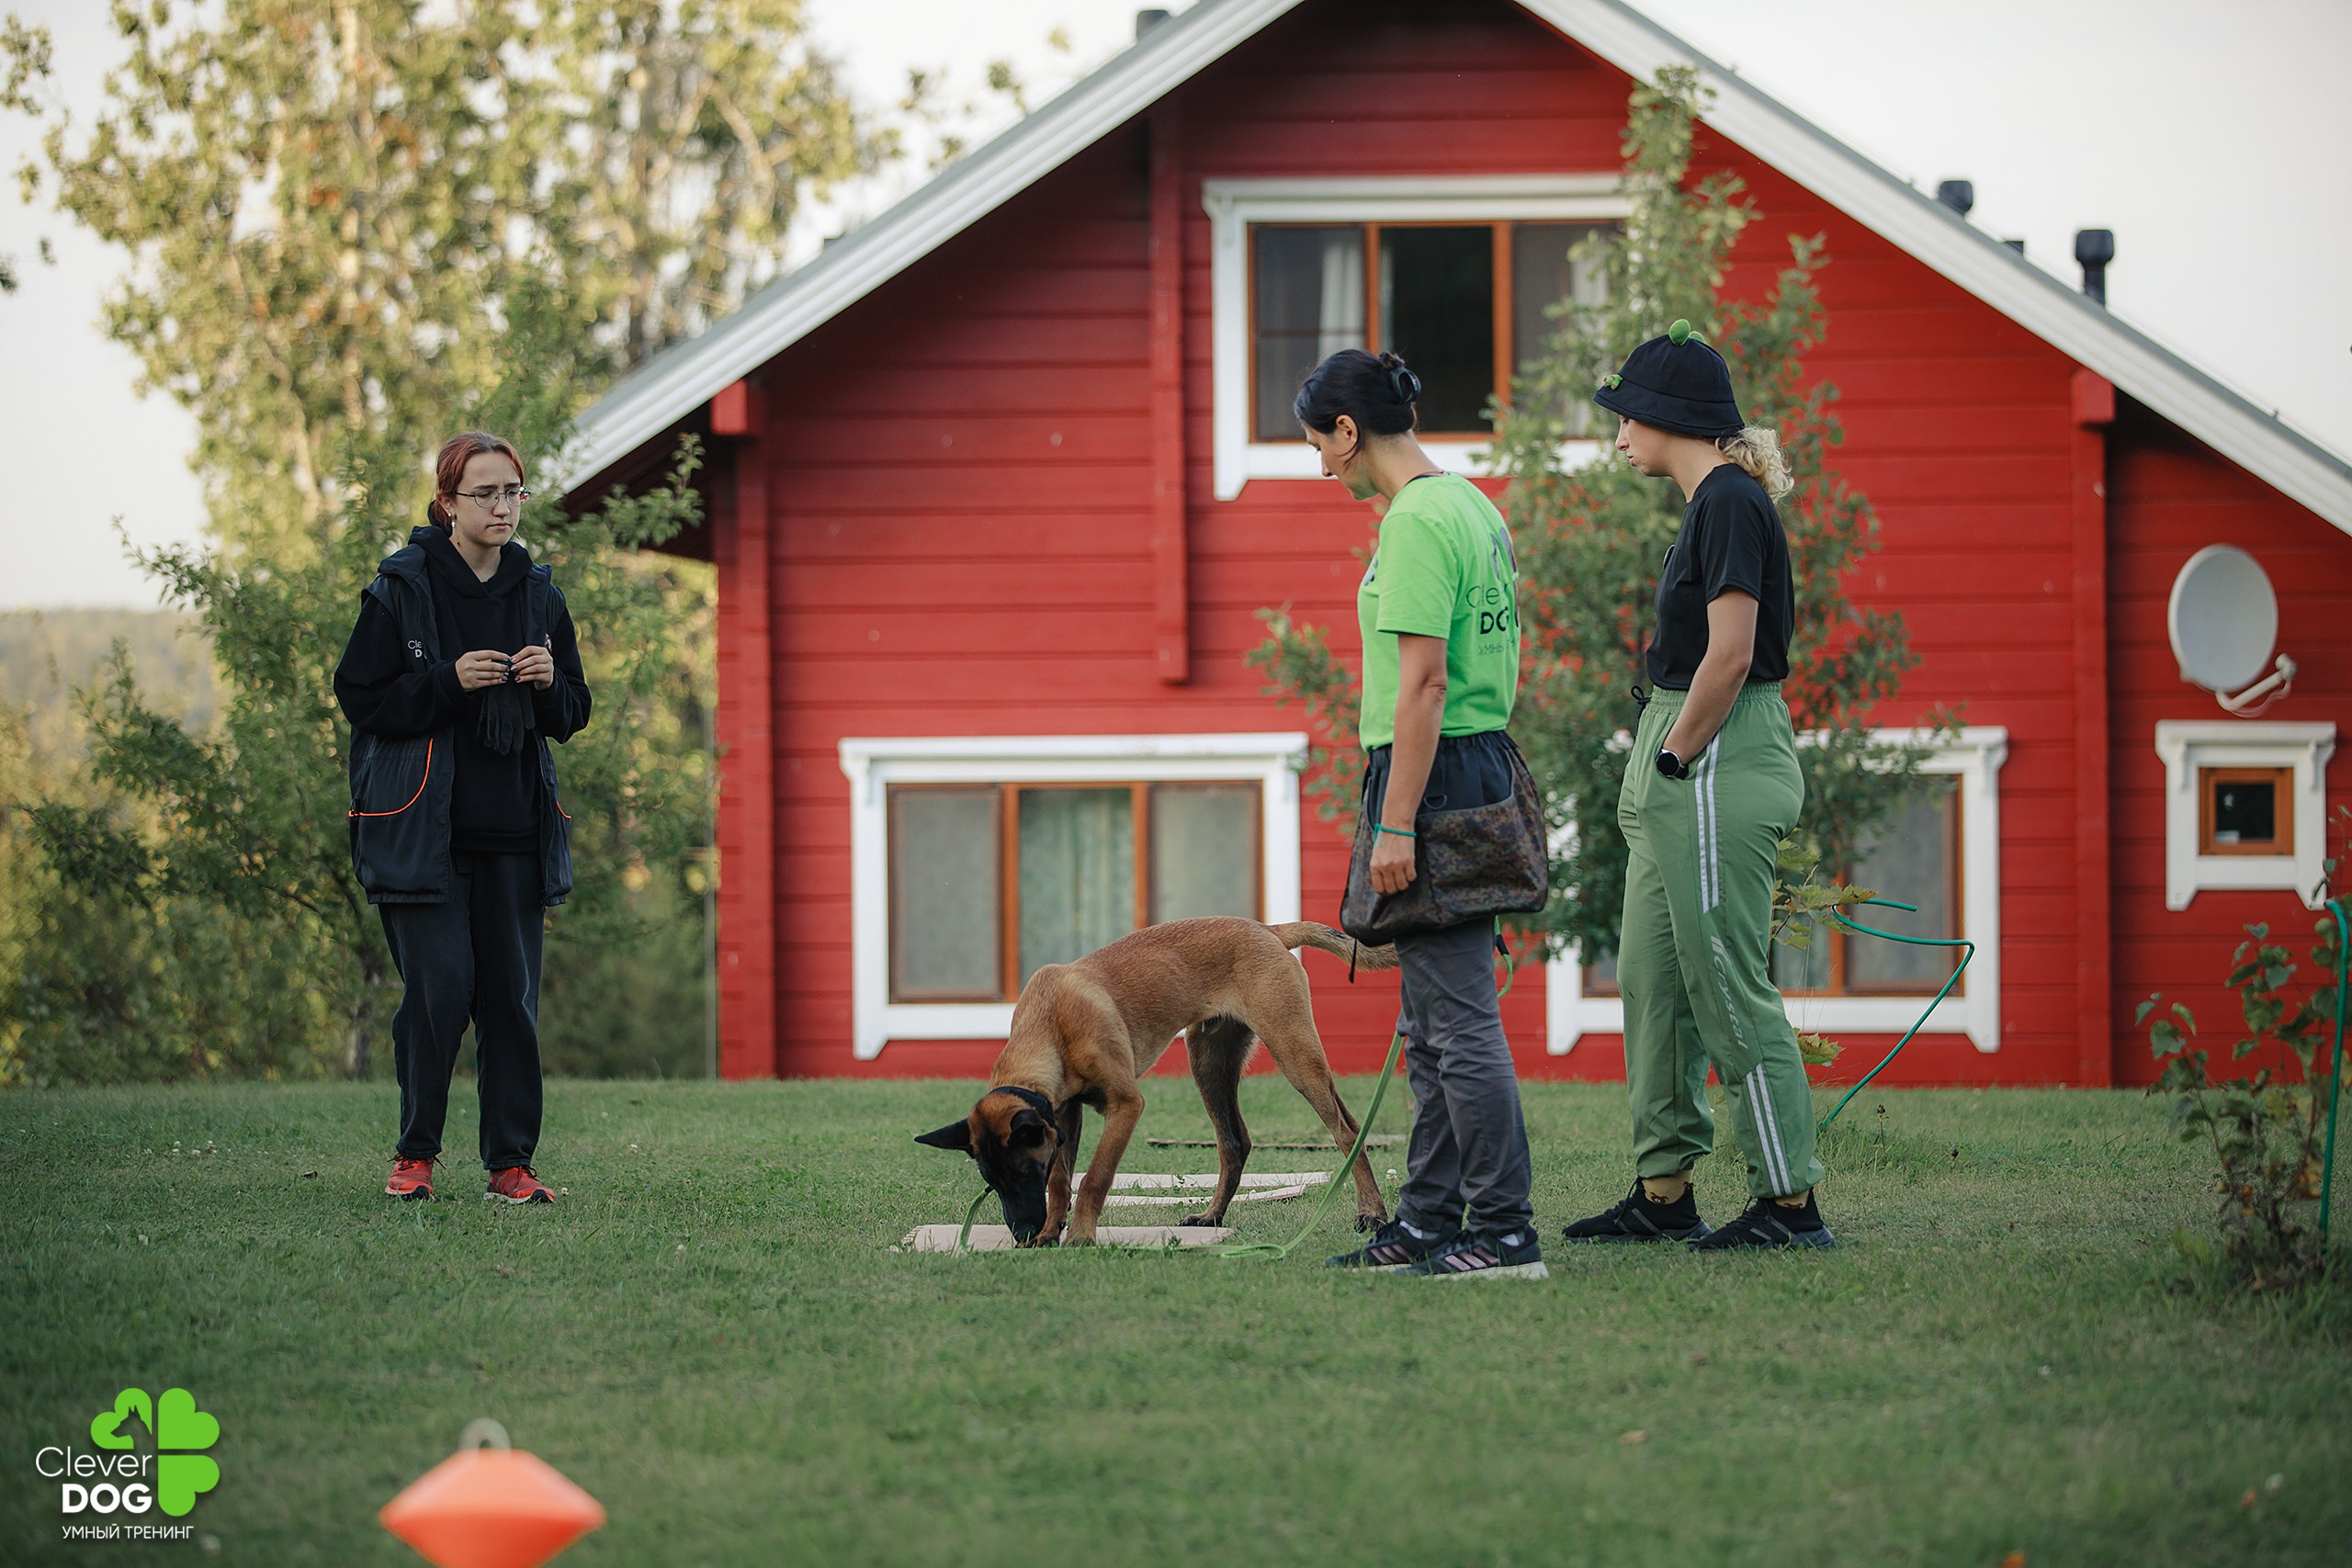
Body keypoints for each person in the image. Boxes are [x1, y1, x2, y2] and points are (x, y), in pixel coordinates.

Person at [1563, 320, 1834, 1250]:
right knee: (1649, 976)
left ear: (1662, 415)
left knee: (1723, 984)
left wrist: (1676, 755)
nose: (1618, 435)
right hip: (1673, 742)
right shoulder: (1708, 501)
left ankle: (1789, 1202)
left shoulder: (1726, 501)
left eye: (1624, 416)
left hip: (1715, 749)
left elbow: (1731, 654)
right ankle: (1664, 1187)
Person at [1307, 349, 1547, 1280]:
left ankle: (1505, 1231)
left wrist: (1397, 823)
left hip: (1432, 774)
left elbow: (1425, 680)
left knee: (1457, 1025)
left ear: (1347, 431)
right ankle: (1429, 1222)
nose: (1321, 467)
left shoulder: (1412, 522)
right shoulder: (1472, 504)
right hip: (1475, 761)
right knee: (1429, 1023)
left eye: (1320, 447)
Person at [334, 431, 592, 1205]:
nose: (504, 506)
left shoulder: (540, 595)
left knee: (511, 1003)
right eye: (486, 493)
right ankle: (416, 1155)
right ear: (447, 502)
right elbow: (361, 697)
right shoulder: (402, 587)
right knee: (439, 993)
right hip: (423, 837)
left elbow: (574, 711)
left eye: (513, 491)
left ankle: (510, 1165)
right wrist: (447, 682)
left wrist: (549, 686)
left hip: (515, 834)